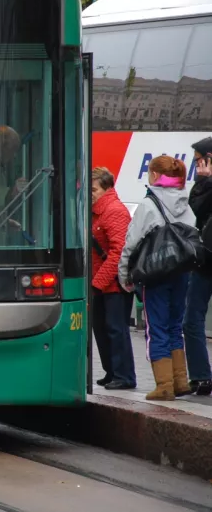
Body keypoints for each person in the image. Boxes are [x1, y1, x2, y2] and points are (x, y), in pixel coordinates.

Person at [118, 155, 194, 401]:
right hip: (182, 272)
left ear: (153, 176)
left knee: (157, 327)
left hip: (156, 274)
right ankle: (180, 380)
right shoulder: (186, 204)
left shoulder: (149, 205)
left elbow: (130, 244)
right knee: (174, 325)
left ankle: (163, 386)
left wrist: (124, 275)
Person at [90, 167, 136, 389]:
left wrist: (97, 282)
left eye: (94, 189)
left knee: (116, 328)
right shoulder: (97, 211)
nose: (90, 193)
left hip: (113, 284)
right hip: (103, 282)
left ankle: (124, 376)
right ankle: (112, 372)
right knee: (102, 327)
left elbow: (118, 253)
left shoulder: (114, 211)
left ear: (106, 188)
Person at [185, 138, 212, 395]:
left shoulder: (206, 185)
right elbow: (195, 212)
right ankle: (201, 376)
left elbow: (195, 208)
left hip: (206, 261)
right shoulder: (205, 185)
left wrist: (205, 183)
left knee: (192, 318)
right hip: (205, 261)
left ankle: (202, 376)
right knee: (191, 319)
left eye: (198, 161)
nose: (196, 167)